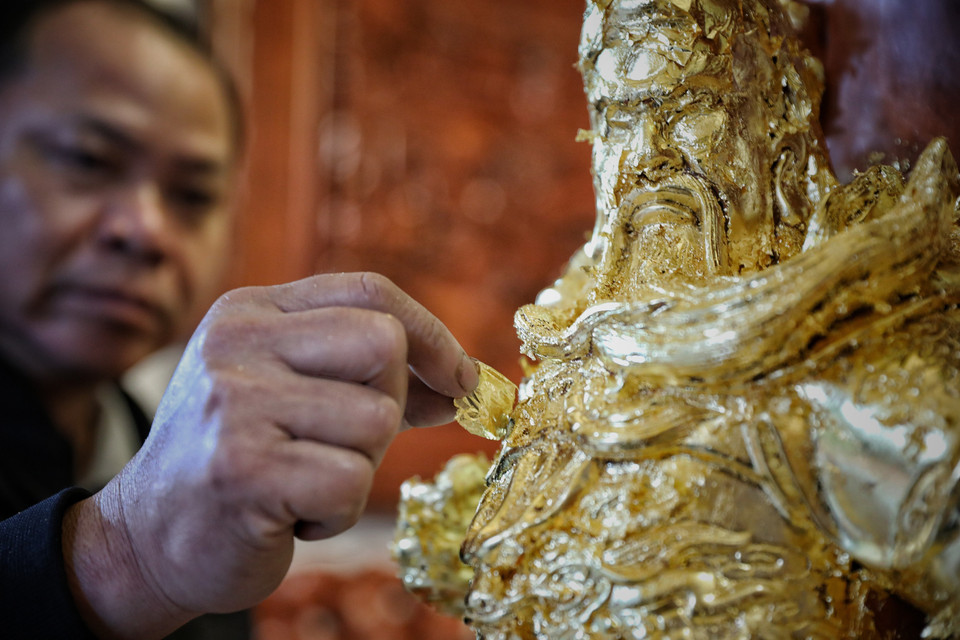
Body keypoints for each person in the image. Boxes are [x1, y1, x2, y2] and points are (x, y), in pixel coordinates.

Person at [395, 0, 960, 637]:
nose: (648, 155)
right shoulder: (576, 355)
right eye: (617, 122)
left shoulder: (830, 361)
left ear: (778, 120)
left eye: (688, 112)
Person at [0, 1, 479, 638]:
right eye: (88, 160)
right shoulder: (172, 489)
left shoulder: (195, 462)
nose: (146, 230)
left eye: (193, 196)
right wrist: (131, 553)